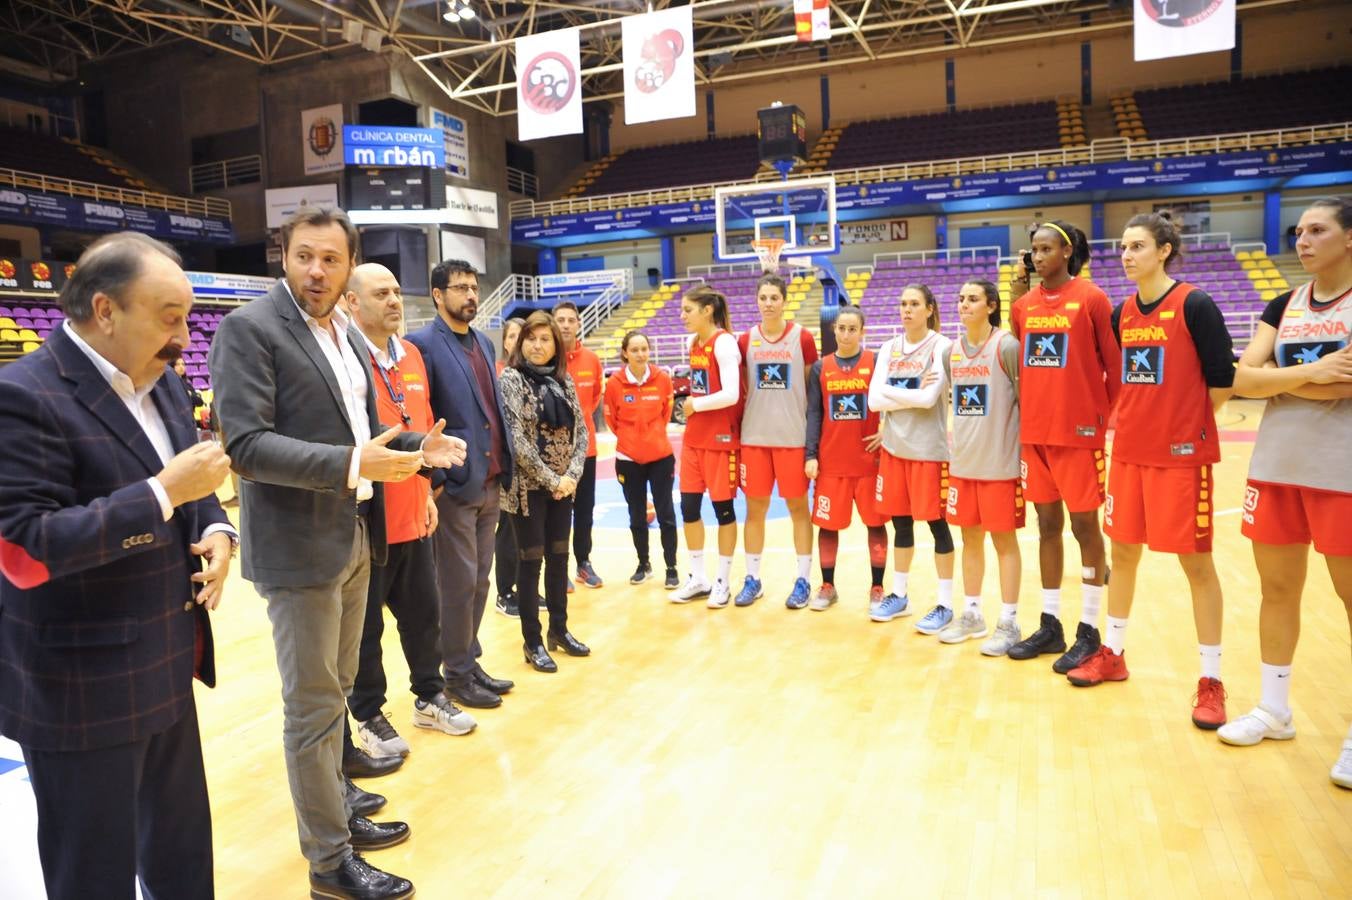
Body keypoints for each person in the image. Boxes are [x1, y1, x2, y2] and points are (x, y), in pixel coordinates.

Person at [210, 206, 467, 900]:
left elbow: (367, 431)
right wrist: (357, 463)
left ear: (349, 264)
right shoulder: (249, 330)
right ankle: (329, 862)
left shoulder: (345, 332)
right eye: (304, 257)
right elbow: (246, 445)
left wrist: (416, 447)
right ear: (283, 257)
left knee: (337, 693)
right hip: (298, 546)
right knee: (313, 705)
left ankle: (339, 804)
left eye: (330, 259)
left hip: (354, 534)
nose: (316, 271)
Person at [0, 232, 235, 900]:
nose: (184, 337)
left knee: (183, 860)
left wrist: (212, 523)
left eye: (188, 317)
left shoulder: (160, 381)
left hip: (165, 663)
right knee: (93, 876)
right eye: (169, 317)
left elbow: (187, 486)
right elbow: (23, 550)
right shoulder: (22, 396)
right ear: (106, 310)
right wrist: (166, 495)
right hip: (80, 684)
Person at [1061, 214, 1235, 729]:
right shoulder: (1122, 314)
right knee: (1125, 554)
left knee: (1196, 565)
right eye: (1123, 246)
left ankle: (1211, 680)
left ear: (1164, 250)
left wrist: (1187, 424)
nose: (1127, 254)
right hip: (1129, 456)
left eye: (1138, 245)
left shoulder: (1196, 305)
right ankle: (1113, 651)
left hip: (1181, 459)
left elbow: (1222, 382)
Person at [1217, 196, 1352, 789]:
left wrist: (1282, 382)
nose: (1302, 240)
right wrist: (1314, 374)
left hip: (1340, 472)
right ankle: (1274, 711)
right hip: (1275, 467)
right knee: (1277, 588)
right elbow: (1241, 378)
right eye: (1298, 231)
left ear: (1348, 239)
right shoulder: (1284, 303)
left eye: (1317, 230)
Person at [342, 263, 476, 762]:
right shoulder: (347, 360)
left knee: (424, 616)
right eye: (381, 293)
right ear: (352, 303)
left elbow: (422, 430)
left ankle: (429, 696)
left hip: (413, 510)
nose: (395, 300)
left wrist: (425, 493)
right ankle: (369, 714)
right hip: (367, 517)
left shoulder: (413, 355)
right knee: (366, 630)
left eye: (398, 291)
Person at [1005, 220, 1121, 674]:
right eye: (1033, 249)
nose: (1038, 256)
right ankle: (1050, 623)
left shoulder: (1092, 299)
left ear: (1067, 251)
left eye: (1046, 248)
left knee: (1086, 529)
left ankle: (1089, 630)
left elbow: (1115, 366)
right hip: (1035, 435)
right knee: (1047, 525)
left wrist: (1100, 421)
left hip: (1078, 436)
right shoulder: (1025, 306)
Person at [408, 260, 516, 713]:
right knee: (456, 584)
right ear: (438, 295)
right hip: (454, 485)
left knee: (479, 582)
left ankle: (469, 661)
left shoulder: (483, 341)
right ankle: (454, 673)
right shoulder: (423, 345)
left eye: (474, 287)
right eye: (460, 288)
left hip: (489, 479)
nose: (471, 295)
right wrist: (432, 477)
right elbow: (418, 415)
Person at [498, 311, 591, 672]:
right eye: (531, 339)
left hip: (563, 487)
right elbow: (517, 440)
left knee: (559, 559)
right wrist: (552, 480)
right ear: (521, 343)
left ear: (556, 345)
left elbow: (581, 432)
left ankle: (560, 631)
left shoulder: (564, 381)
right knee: (530, 563)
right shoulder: (511, 379)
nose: (538, 346)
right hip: (528, 490)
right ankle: (532, 642)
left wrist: (572, 473)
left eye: (545, 339)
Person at [937, 280, 1025, 654]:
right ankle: (972, 613)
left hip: (1000, 466)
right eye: (959, 299)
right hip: (964, 465)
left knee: (1004, 542)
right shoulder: (951, 353)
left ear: (991, 305)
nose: (963, 305)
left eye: (972, 299)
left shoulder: (1006, 347)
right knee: (969, 539)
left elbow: (1027, 404)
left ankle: (1009, 621)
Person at [868, 284, 955, 631]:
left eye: (915, 304)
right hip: (894, 449)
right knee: (901, 526)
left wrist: (894, 392)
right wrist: (911, 392)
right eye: (903, 303)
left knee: (938, 526)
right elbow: (874, 402)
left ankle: (945, 604)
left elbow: (929, 399)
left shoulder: (942, 346)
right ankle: (900, 595)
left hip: (928, 452)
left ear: (930, 309)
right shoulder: (889, 347)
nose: (907, 310)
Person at [736, 273, 820, 608]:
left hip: (792, 438)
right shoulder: (746, 341)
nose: (768, 303)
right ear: (756, 301)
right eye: (763, 298)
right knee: (755, 510)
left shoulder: (803, 338)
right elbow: (744, 389)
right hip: (754, 438)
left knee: (799, 508)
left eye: (774, 297)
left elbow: (810, 391)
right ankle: (753, 579)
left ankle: (803, 580)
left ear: (784, 300)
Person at [803, 305, 889, 611]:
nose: (847, 334)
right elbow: (814, 413)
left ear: (862, 332)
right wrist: (810, 454)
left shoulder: (876, 362)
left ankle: (877, 588)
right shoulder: (820, 367)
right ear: (834, 331)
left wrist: (888, 430)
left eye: (853, 329)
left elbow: (893, 400)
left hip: (869, 462)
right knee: (828, 526)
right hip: (831, 463)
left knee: (875, 525)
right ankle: (828, 586)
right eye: (842, 328)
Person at [668, 286, 743, 608]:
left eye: (688, 310)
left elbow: (731, 394)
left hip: (720, 442)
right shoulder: (692, 343)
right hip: (694, 440)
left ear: (707, 311)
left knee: (723, 512)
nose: (682, 316)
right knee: (688, 509)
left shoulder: (724, 343)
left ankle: (723, 581)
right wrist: (693, 408)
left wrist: (695, 405)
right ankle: (698, 577)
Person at [603, 329, 679, 587]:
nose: (640, 354)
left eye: (644, 349)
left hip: (660, 457)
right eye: (634, 350)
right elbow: (611, 419)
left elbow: (665, 414)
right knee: (636, 515)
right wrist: (631, 439)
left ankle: (671, 567)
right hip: (628, 459)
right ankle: (643, 564)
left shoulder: (663, 379)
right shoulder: (614, 383)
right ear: (625, 353)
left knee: (666, 513)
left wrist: (651, 437)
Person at [553, 301, 605, 589]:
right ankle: (558, 568)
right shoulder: (546, 358)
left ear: (578, 324)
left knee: (585, 510)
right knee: (558, 511)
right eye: (560, 319)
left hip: (586, 450)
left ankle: (583, 563)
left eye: (570, 320)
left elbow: (595, 399)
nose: (565, 325)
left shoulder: (592, 360)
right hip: (554, 453)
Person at [495, 316, 525, 617]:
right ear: (505, 341)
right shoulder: (498, 374)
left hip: (531, 471)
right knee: (507, 531)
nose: (518, 341)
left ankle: (524, 587)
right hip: (509, 466)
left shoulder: (532, 374)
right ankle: (504, 592)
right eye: (513, 335)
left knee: (526, 533)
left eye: (523, 335)